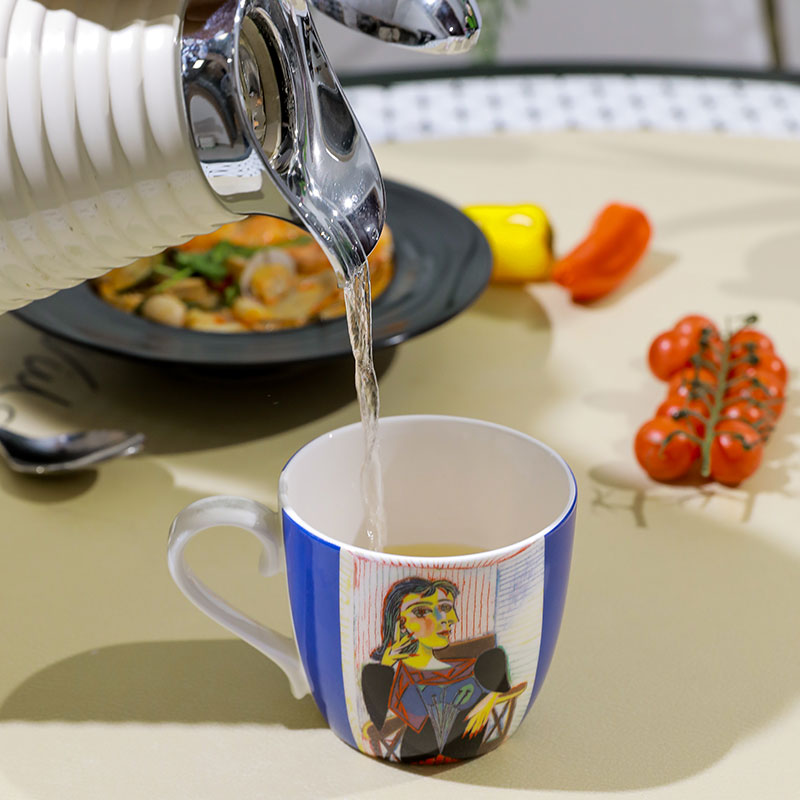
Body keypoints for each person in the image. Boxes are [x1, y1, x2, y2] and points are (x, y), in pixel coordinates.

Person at [361, 577, 523, 764]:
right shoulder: (396, 674)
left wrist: (489, 700)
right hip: (415, 756)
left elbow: (501, 671)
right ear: (401, 623)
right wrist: (387, 662)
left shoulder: (472, 668)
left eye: (445, 608)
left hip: (465, 753)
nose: (445, 619)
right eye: (422, 611)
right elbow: (377, 722)